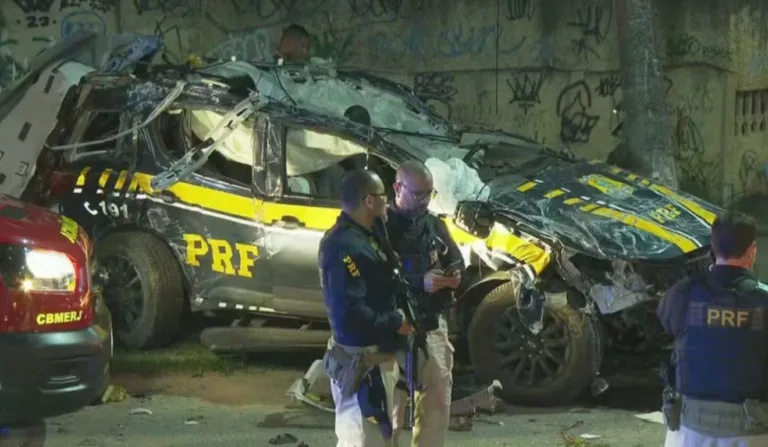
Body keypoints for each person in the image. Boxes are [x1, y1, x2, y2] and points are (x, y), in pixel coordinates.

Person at [319, 169, 414, 447]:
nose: (389, 201)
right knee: (360, 439)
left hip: (375, 358)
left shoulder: (366, 234)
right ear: (369, 200)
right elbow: (351, 314)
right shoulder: (344, 247)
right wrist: (395, 320)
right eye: (384, 195)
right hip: (360, 363)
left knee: (379, 438)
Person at [658, 211, 768, 446]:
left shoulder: (682, 293)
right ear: (752, 251)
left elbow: (669, 326)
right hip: (751, 430)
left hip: (689, 428)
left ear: (713, 249)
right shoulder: (763, 300)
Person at [386, 160, 464, 447]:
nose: (423, 201)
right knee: (389, 410)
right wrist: (421, 281)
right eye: (417, 194)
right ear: (397, 187)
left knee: (436, 403)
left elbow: (457, 258)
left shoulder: (433, 224)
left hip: (431, 325)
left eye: (428, 194)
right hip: (393, 326)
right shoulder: (381, 225)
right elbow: (377, 276)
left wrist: (453, 274)